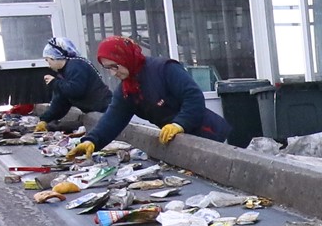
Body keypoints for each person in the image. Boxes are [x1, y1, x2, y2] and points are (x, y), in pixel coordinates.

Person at [64, 35, 227, 159]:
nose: (113, 73)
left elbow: (193, 97)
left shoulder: (163, 69)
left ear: (124, 58)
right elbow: (113, 118)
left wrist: (179, 123)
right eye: (108, 68)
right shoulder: (127, 89)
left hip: (209, 135)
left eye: (114, 66)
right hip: (182, 142)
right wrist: (92, 140)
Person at [32, 36, 109, 131]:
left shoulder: (76, 66)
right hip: (96, 111)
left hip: (105, 109)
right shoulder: (64, 72)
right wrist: (44, 120)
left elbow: (76, 90)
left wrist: (54, 83)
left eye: (48, 60)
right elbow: (60, 101)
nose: (48, 65)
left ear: (54, 57)